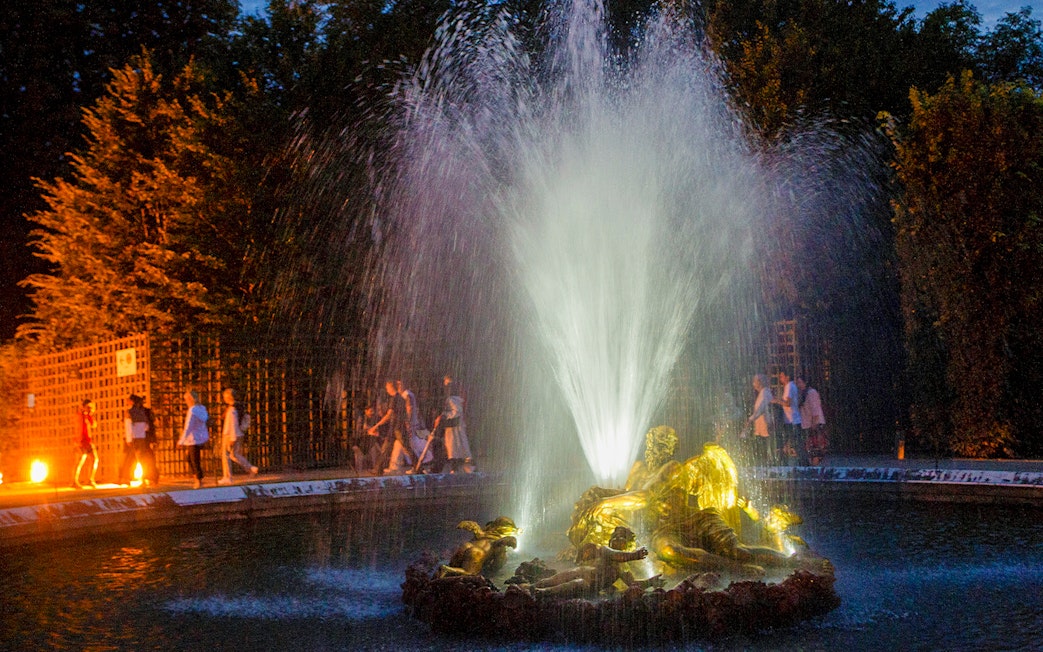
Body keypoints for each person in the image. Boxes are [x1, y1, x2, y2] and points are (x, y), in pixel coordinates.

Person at [533, 526, 662, 598]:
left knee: (576, 584)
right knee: (556, 579)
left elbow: (633, 584)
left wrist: (650, 582)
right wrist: (634, 555)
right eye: (614, 537)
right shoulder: (606, 550)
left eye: (621, 537)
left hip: (588, 585)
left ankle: (545, 592)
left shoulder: (623, 569)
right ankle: (533, 586)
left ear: (627, 543)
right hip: (582, 572)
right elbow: (618, 555)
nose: (616, 539)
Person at [369, 380, 413, 474]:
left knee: (406, 447)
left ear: (390, 386)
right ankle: (378, 469)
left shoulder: (394, 399)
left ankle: (418, 466)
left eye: (387, 387)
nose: (386, 389)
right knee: (387, 447)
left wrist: (376, 426)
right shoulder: (400, 398)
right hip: (396, 427)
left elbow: (389, 415)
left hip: (397, 428)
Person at [218, 388, 258, 485]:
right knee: (234, 454)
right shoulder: (239, 407)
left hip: (230, 435)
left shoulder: (232, 409)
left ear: (228, 397)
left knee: (226, 455)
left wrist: (232, 438)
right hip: (239, 433)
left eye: (224, 397)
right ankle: (250, 468)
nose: (224, 399)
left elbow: (232, 424)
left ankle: (227, 477)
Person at [433, 375, 472, 474]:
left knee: (456, 448)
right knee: (453, 448)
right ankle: (455, 468)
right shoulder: (452, 398)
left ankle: (460, 468)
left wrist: (444, 416)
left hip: (455, 427)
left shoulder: (452, 398)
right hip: (453, 428)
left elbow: (456, 412)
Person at [119, 394, 157, 486]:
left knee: (132, 458)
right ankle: (151, 478)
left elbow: (128, 426)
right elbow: (149, 426)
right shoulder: (146, 411)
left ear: (132, 401)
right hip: (145, 438)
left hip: (136, 438)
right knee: (147, 458)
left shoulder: (131, 412)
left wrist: (129, 439)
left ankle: (127, 478)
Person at [178, 389, 209, 488]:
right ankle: (198, 477)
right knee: (192, 459)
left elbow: (188, 427)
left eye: (186, 400)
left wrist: (181, 440)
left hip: (193, 438)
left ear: (190, 399)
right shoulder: (202, 408)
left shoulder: (192, 410)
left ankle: (198, 479)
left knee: (193, 460)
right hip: (201, 436)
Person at [772, 371, 805, 465]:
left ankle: (801, 462)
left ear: (787, 376)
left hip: (792, 420)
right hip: (791, 419)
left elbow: (788, 403)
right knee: (793, 442)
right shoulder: (790, 386)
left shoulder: (789, 386)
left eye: (782, 376)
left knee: (795, 443)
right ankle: (797, 462)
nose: (780, 378)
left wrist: (777, 401)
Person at [796, 376, 827, 465]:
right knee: (811, 447)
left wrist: (814, 423)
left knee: (816, 446)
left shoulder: (811, 392)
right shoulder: (803, 393)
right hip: (807, 423)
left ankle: (815, 466)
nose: (798, 385)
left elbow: (815, 409)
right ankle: (812, 465)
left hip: (814, 423)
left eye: (800, 382)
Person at [745, 374, 774, 465]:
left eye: (755, 381)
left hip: (765, 428)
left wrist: (750, 420)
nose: (753, 384)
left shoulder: (765, 393)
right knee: (761, 450)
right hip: (761, 429)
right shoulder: (762, 393)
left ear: (759, 383)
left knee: (764, 450)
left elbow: (760, 409)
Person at [73, 399, 99, 488]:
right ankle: (74, 481)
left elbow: (94, 425)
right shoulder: (80, 416)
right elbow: (79, 429)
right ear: (83, 407)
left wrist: (90, 416)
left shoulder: (87, 416)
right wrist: (78, 442)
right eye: (88, 407)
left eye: (91, 407)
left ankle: (90, 479)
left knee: (94, 459)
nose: (89, 409)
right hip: (81, 441)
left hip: (88, 441)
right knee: (79, 461)